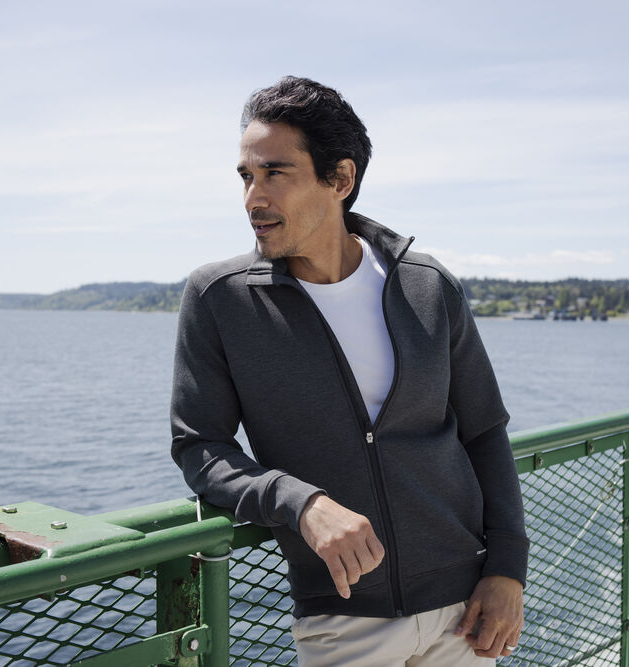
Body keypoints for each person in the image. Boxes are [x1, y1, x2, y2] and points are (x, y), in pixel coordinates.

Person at [170, 76, 528, 666]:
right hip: (342, 617)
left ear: (340, 179)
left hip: (464, 613)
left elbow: (484, 430)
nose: (253, 198)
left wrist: (508, 569)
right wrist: (300, 502)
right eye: (246, 176)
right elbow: (199, 448)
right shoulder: (220, 298)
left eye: (275, 173)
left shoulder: (426, 285)